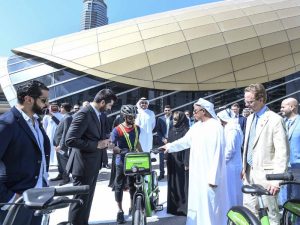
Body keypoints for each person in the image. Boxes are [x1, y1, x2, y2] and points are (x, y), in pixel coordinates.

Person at [161, 98, 229, 225]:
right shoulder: (196, 126)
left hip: (210, 177)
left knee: (210, 208)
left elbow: (219, 155)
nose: (193, 113)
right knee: (197, 206)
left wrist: (214, 178)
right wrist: (169, 146)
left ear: (204, 111)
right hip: (197, 175)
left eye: (195, 111)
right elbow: (185, 141)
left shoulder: (215, 127)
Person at [0, 80, 51, 225]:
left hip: (38, 199)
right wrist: (8, 198)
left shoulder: (36, 121)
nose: (47, 104)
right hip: (16, 202)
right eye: (44, 100)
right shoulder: (7, 123)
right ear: (28, 99)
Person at [65, 89, 117, 225]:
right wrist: (96, 145)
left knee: (86, 203)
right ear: (102, 102)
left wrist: (105, 142)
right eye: (109, 105)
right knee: (79, 202)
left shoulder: (98, 114)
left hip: (92, 165)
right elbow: (70, 140)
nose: (110, 109)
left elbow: (93, 135)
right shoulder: (84, 113)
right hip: (82, 166)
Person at [242, 83, 289, 225]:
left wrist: (276, 180)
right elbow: (249, 145)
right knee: (250, 214)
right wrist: (245, 168)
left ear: (261, 99)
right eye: (245, 101)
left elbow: (282, 152)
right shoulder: (250, 118)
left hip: (267, 179)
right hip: (249, 176)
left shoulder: (275, 120)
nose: (247, 105)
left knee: (271, 216)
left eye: (250, 101)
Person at [110, 105, 142, 223]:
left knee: (133, 185)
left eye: (134, 116)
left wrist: (144, 154)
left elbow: (137, 142)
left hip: (133, 160)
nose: (133, 118)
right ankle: (119, 211)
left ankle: (132, 206)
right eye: (130, 116)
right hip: (121, 160)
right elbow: (111, 144)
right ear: (124, 116)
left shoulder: (137, 128)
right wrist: (116, 149)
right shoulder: (117, 129)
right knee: (119, 186)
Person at [217, 109, 243, 207]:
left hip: (231, 166)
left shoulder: (232, 130)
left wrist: (221, 162)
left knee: (232, 190)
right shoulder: (233, 127)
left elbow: (230, 150)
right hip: (233, 164)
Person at [166, 111, 190, 216]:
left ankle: (183, 208)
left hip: (181, 160)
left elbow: (188, 147)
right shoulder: (171, 130)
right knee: (172, 183)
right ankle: (173, 207)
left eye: (176, 119)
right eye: (173, 119)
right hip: (172, 160)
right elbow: (169, 145)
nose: (174, 121)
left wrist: (186, 162)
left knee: (182, 184)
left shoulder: (186, 131)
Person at [279, 98, 300, 214]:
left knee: (297, 199)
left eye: (283, 107)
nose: (280, 109)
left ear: (292, 107)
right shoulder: (281, 123)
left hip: (297, 167)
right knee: (283, 199)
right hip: (284, 167)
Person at [53, 103, 73, 186]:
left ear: (64, 108)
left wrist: (61, 145)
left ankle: (66, 178)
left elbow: (65, 133)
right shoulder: (64, 117)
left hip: (62, 146)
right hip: (58, 144)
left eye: (61, 107)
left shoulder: (68, 118)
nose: (60, 109)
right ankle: (61, 174)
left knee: (64, 161)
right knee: (59, 161)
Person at [42, 102, 63, 167]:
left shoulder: (61, 115)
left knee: (58, 148)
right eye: (52, 106)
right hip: (49, 135)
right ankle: (51, 161)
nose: (54, 107)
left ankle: (58, 162)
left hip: (58, 135)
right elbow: (44, 126)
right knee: (51, 148)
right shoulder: (46, 116)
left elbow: (61, 125)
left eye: (55, 106)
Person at [156, 105, 173, 180]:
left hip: (172, 141)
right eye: (165, 110)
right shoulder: (160, 119)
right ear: (164, 111)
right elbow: (158, 130)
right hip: (162, 141)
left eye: (168, 110)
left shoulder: (174, 118)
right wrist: (163, 139)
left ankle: (171, 174)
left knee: (172, 158)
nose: (167, 111)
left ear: (171, 111)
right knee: (161, 158)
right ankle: (161, 174)